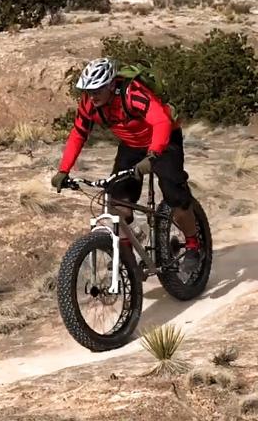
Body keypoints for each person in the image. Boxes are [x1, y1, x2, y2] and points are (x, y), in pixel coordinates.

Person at [51, 57, 202, 271]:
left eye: (97, 90)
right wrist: (63, 170)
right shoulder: (89, 104)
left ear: (111, 85)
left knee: (175, 195)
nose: (92, 96)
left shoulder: (133, 94)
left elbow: (161, 121)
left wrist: (153, 155)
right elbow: (78, 134)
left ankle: (194, 244)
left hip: (164, 140)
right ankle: (129, 263)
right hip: (131, 145)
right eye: (89, 91)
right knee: (117, 205)